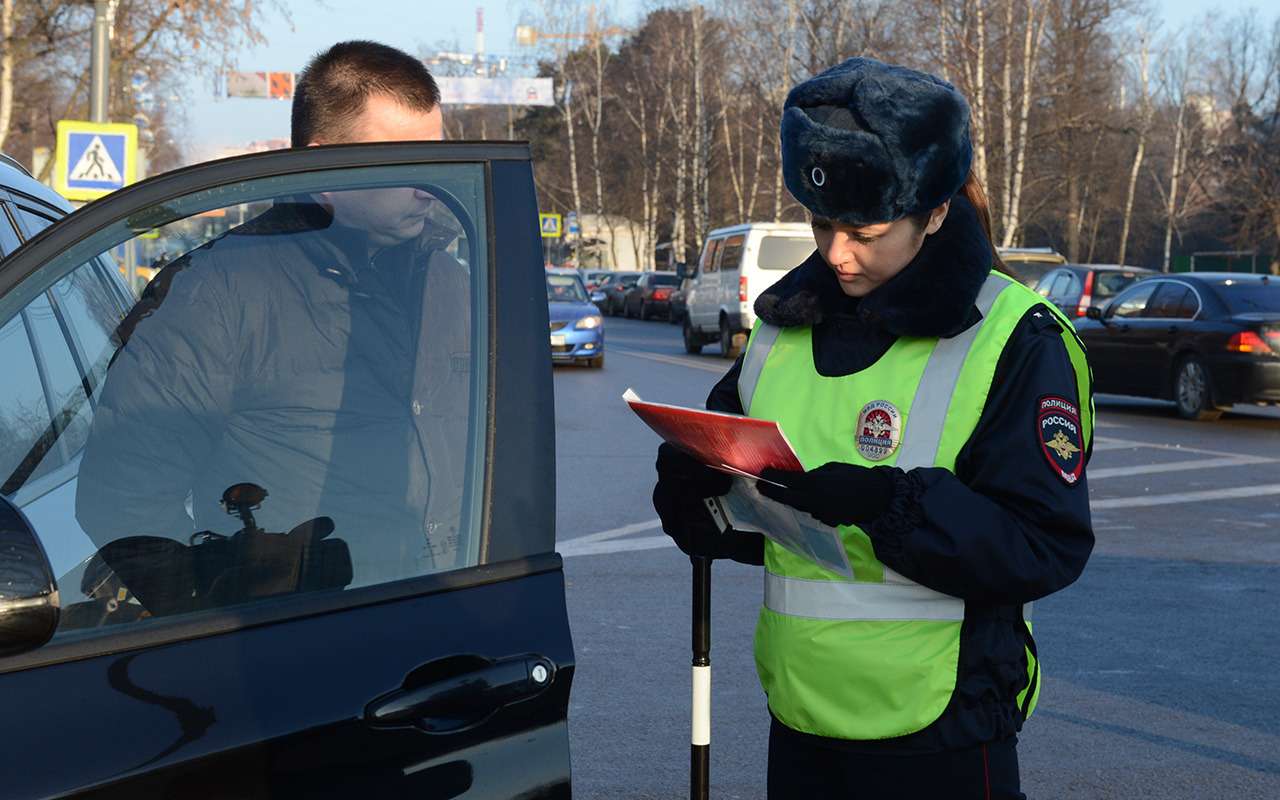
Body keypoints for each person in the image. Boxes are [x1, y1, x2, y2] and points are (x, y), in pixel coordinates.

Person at [653, 58, 1094, 799]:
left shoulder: (1018, 338)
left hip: (945, 733)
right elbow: (750, 528)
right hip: (800, 723)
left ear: (938, 211)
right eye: (821, 224)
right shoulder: (782, 332)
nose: (835, 254)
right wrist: (697, 494)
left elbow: (1043, 546)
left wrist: (890, 506)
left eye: (866, 230)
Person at [75, 40, 470, 600]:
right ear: (323, 167)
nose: (426, 181)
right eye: (402, 160)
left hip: (449, 629)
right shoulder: (216, 293)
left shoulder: (453, 287)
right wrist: (227, 623)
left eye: (434, 159)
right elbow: (125, 497)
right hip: (297, 648)